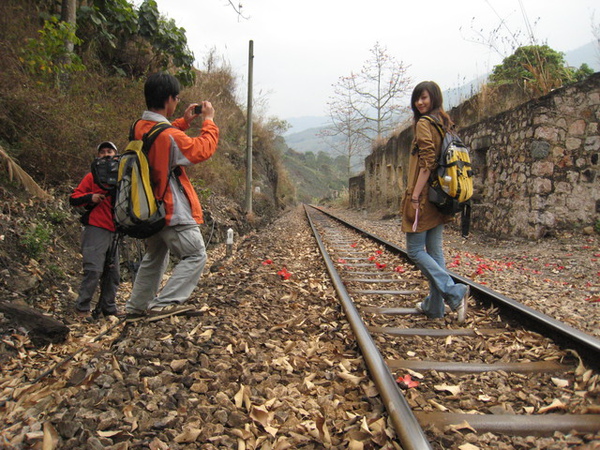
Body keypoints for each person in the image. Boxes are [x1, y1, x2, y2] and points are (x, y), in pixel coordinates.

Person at [125, 72, 219, 323]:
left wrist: (183, 122)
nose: (177, 102)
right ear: (169, 99)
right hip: (170, 207)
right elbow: (201, 149)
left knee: (155, 256)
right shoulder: (169, 136)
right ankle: (163, 304)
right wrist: (208, 121)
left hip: (147, 207)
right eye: (176, 98)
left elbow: (159, 138)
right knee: (196, 254)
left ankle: (136, 307)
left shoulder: (138, 126)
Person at [401, 81, 469, 322]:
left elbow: (427, 163)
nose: (420, 102)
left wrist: (416, 196)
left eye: (425, 98)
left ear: (434, 98)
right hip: (442, 196)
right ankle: (435, 308)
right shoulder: (443, 122)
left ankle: (454, 291)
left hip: (425, 197)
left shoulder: (423, 124)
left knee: (415, 250)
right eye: (417, 98)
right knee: (436, 252)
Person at [70, 141, 120, 318]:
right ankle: (82, 309)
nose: (106, 155)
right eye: (103, 152)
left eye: (110, 151)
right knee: (93, 270)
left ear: (116, 154)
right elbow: (74, 198)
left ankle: (109, 309)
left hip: (115, 231)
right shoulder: (92, 176)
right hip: (96, 227)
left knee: (113, 273)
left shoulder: (123, 177)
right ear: (97, 156)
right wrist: (91, 197)